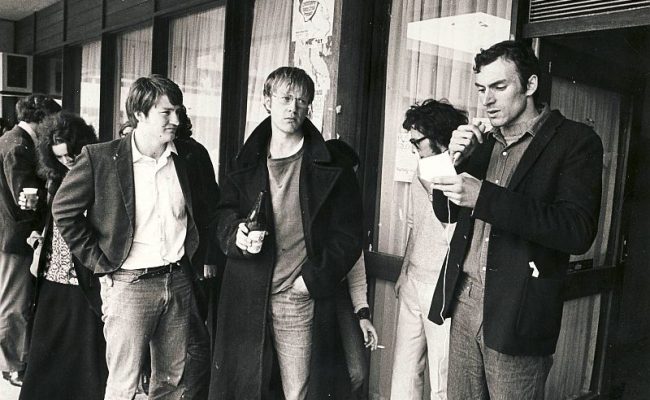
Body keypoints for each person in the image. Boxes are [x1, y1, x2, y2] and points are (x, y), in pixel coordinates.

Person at [427, 40, 604, 399]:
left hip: (519, 312)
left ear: (531, 85)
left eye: (499, 86)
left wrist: (485, 197)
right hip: (464, 301)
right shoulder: (483, 142)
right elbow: (446, 214)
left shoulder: (576, 141)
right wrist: (453, 161)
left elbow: (577, 230)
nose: (487, 100)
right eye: (481, 89)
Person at [52, 75, 220, 399]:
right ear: (139, 114)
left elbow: (207, 211)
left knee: (171, 383)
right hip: (129, 284)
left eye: (178, 111)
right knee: (123, 383)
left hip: (178, 280)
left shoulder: (188, 157)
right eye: (166, 112)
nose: (176, 120)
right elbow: (64, 211)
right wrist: (99, 262)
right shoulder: (100, 158)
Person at [209, 66, 363, 400]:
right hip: (248, 292)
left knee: (298, 392)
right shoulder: (246, 160)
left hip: (297, 293)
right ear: (267, 101)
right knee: (246, 388)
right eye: (285, 98)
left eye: (302, 101)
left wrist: (311, 280)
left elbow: (349, 236)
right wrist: (235, 234)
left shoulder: (331, 164)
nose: (293, 108)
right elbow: (222, 214)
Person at [19, 111, 107, 400]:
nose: (67, 160)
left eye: (71, 153)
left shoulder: (99, 174)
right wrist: (35, 226)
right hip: (53, 274)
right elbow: (50, 222)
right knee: (47, 353)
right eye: (59, 156)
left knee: (84, 355)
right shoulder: (55, 178)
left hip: (84, 275)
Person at [390, 99, 467, 400]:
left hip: (442, 285)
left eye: (417, 141)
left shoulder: (461, 176)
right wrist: (403, 272)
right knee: (405, 371)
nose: (413, 147)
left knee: (442, 377)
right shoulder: (418, 169)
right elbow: (414, 225)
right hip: (413, 280)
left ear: (439, 137)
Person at [0, 94, 61, 386]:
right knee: (14, 303)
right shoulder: (19, 146)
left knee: (13, 301)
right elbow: (26, 199)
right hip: (17, 237)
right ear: (40, 118)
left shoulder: (11, 140)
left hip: (11, 235)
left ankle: (13, 361)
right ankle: (13, 365)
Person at [325, 138, 379, 400]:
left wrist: (363, 313)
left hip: (339, 293)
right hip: (307, 295)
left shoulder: (348, 214)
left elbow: (355, 264)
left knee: (356, 370)